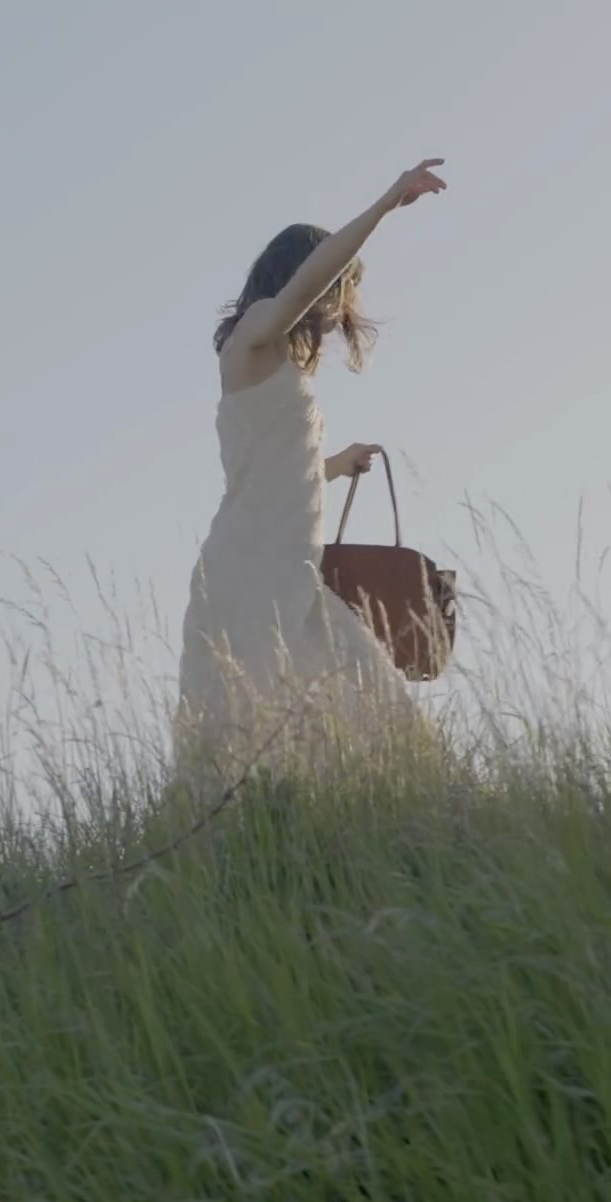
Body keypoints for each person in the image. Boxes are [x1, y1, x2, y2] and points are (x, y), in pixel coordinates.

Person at [176, 159, 447, 783]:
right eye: (340, 286)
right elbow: (304, 287)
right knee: (257, 742)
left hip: (283, 569)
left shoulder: (273, 362)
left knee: (372, 720)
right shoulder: (254, 334)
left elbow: (268, 475)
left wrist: (333, 466)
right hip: (251, 575)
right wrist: (384, 206)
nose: (340, 302)